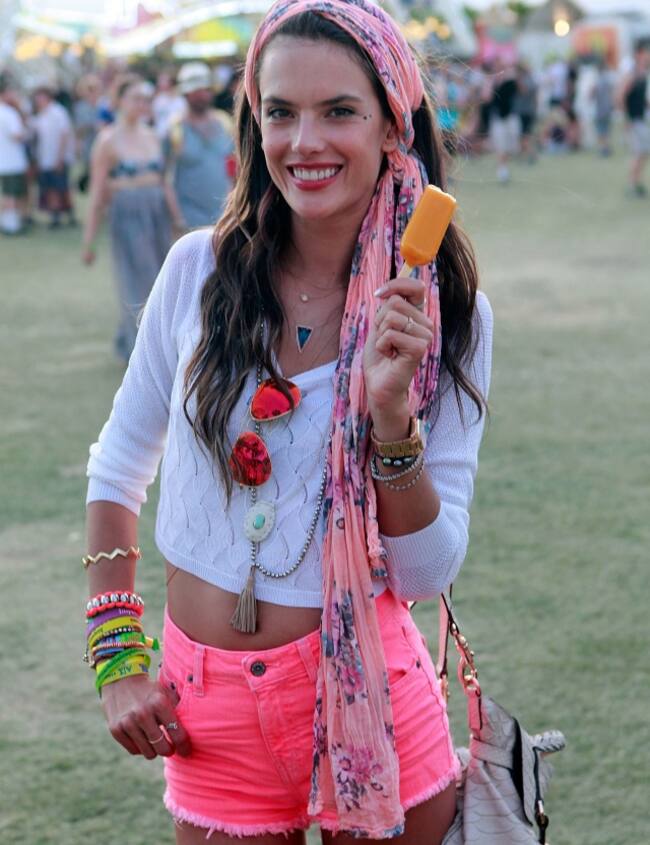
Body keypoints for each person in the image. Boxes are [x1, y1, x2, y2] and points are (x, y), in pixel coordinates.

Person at [84, 1, 492, 842]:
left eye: (339, 110)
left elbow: (423, 572)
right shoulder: (196, 270)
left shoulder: (446, 313)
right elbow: (119, 464)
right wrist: (117, 656)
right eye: (280, 111)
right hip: (210, 714)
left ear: (392, 126)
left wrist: (390, 420)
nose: (304, 142)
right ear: (255, 121)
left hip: (371, 697)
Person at [82, 75, 174, 363]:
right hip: (128, 213)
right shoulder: (107, 140)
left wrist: (178, 218)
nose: (141, 105)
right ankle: (139, 350)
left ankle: (164, 347)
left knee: (164, 279)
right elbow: (97, 192)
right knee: (138, 282)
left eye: (145, 99)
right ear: (119, 101)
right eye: (135, 98)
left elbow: (164, 181)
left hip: (157, 212)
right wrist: (89, 241)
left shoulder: (152, 135)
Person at [163, 62, 234, 232]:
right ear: (186, 94)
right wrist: (178, 218)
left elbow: (233, 169)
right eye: (197, 91)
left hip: (224, 218)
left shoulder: (224, 123)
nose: (203, 95)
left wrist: (233, 207)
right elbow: (165, 180)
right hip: (189, 220)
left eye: (206, 90)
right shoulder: (175, 129)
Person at [31, 85, 77, 228]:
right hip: (45, 158)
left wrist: (60, 158)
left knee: (61, 188)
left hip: (58, 158)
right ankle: (55, 215)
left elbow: (64, 135)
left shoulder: (58, 112)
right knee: (51, 188)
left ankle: (68, 215)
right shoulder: (40, 115)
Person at [619, 43, 650, 197]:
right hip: (634, 120)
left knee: (643, 153)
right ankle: (632, 185)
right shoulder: (632, 74)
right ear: (639, 55)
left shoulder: (642, 74)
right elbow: (620, 96)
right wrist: (626, 118)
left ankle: (636, 183)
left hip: (639, 119)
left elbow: (641, 100)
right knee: (639, 153)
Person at [0, 77, 29, 234]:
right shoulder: (9, 113)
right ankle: (11, 225)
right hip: (12, 161)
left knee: (7, 193)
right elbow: (18, 135)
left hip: (4, 161)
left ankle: (7, 222)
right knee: (12, 194)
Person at [490, 59, 520, 183]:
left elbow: (519, 90)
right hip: (498, 118)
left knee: (511, 146)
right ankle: (502, 169)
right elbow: (487, 98)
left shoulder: (510, 82)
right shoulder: (492, 82)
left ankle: (504, 167)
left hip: (509, 117)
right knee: (501, 145)